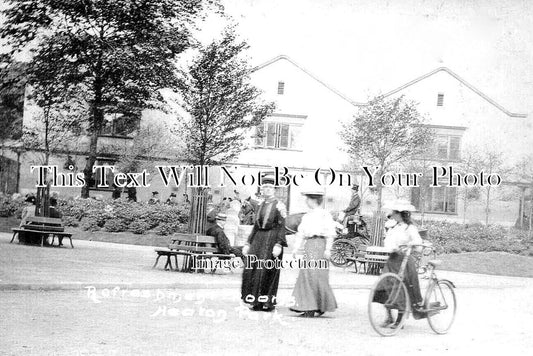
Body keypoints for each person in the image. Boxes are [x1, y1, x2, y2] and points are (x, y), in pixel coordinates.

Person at [374, 200, 425, 329]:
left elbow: (418, 244)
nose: (392, 215)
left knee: (401, 290)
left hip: (404, 261)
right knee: (384, 287)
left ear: (400, 214)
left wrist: (409, 245)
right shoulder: (394, 227)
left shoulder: (410, 228)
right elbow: (388, 242)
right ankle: (389, 317)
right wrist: (392, 247)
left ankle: (399, 320)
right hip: (392, 261)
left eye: (394, 213)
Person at [241, 175, 287, 312]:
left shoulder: (279, 205)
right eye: (265, 187)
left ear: (274, 189)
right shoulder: (260, 205)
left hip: (272, 238)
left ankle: (267, 302)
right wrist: (248, 243)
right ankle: (255, 301)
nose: (267, 189)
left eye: (270, 187)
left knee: (267, 269)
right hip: (258, 239)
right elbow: (255, 225)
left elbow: (282, 226)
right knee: (253, 268)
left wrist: (279, 244)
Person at [290, 190, 338, 317]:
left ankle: (318, 305)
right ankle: (309, 306)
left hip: (320, 245)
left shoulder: (325, 215)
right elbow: (301, 233)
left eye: (308, 199)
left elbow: (330, 234)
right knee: (307, 275)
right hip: (309, 245)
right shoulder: (307, 216)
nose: (306, 202)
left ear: (314, 200)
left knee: (318, 276)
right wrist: (296, 248)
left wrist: (328, 249)